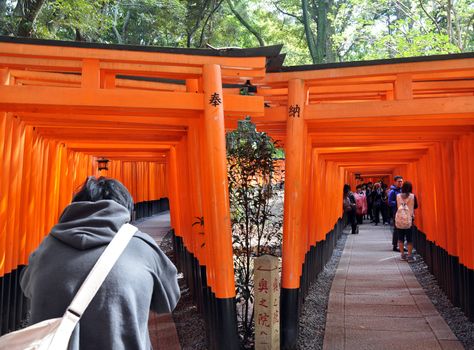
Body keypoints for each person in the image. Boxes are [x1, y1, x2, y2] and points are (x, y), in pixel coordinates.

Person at [20, 176, 180, 350]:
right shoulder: (141, 247)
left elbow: (27, 288)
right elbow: (168, 301)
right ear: (126, 209)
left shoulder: (45, 249)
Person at [395, 181, 418, 262]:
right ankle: (409, 256)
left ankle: (402, 255)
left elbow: (396, 206)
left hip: (400, 220)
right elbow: (416, 206)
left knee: (400, 238)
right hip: (409, 220)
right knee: (409, 239)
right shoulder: (412, 196)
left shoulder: (397, 196)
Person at [388, 175, 404, 251]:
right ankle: (395, 245)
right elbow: (390, 202)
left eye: (401, 181)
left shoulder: (402, 190)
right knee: (397, 229)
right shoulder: (392, 191)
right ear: (395, 182)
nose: (400, 183)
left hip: (403, 212)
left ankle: (401, 245)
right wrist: (398, 203)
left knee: (403, 229)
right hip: (396, 212)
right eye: (399, 181)